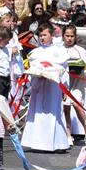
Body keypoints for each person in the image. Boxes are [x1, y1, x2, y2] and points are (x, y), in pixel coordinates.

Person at [22, 25, 71, 153]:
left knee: (54, 112)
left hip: (53, 86)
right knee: (37, 112)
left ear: (51, 35)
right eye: (40, 35)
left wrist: (65, 87)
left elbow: (64, 70)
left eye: (45, 35)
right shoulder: (35, 52)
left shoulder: (59, 51)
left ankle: (58, 143)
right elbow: (32, 67)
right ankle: (36, 142)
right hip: (39, 85)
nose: (42, 37)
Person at [62, 24, 86, 139]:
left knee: (77, 104)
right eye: (67, 36)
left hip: (77, 82)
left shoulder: (81, 50)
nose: (69, 38)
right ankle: (68, 135)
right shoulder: (58, 49)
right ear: (63, 36)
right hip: (64, 83)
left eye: (72, 36)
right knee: (65, 108)